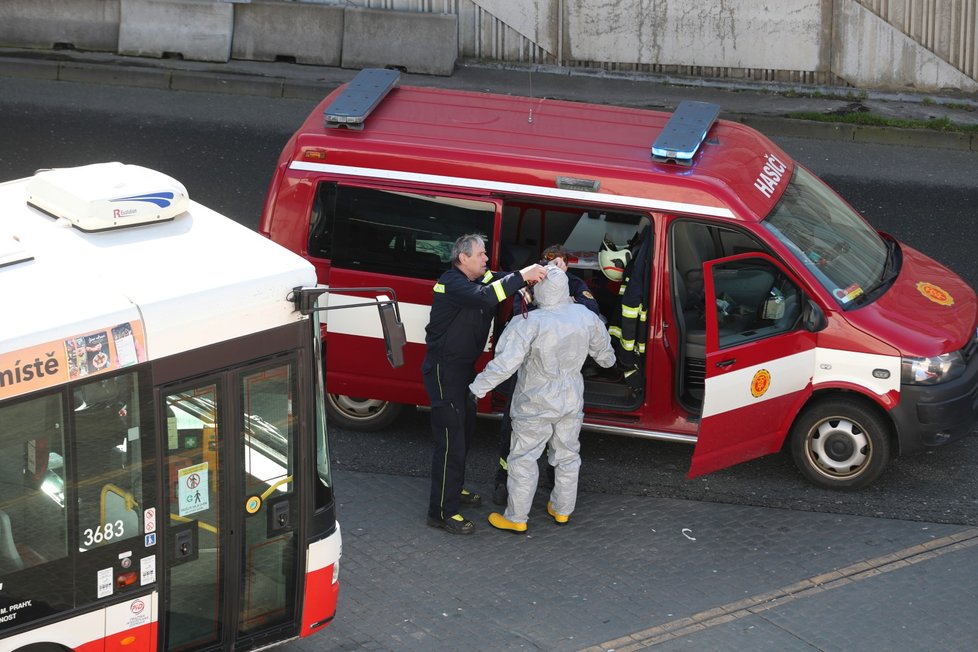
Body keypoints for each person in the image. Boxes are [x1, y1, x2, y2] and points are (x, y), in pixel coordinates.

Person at [469, 264, 616, 533]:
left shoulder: (528, 322)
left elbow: (504, 365)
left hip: (534, 401)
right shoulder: (584, 316)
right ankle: (561, 510)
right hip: (571, 398)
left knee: (523, 458)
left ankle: (516, 518)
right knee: (568, 456)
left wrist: (477, 389)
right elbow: (606, 359)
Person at [424, 233, 547, 535]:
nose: (485, 259)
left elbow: (501, 280)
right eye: (480, 255)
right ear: (463, 258)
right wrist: (521, 276)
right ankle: (441, 511)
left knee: (464, 431)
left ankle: (454, 488)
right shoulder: (453, 283)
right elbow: (484, 296)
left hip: (464, 369)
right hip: (445, 371)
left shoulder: (478, 278)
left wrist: (536, 272)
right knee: (451, 440)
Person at [491, 244, 604, 506]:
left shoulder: (575, 284)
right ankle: (504, 481)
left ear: (567, 264)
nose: (553, 266)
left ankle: (554, 486)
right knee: (513, 429)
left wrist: (560, 301)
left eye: (559, 262)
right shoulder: (529, 281)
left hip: (561, 370)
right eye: (548, 261)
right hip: (530, 372)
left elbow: (591, 313)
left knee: (562, 438)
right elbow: (523, 315)